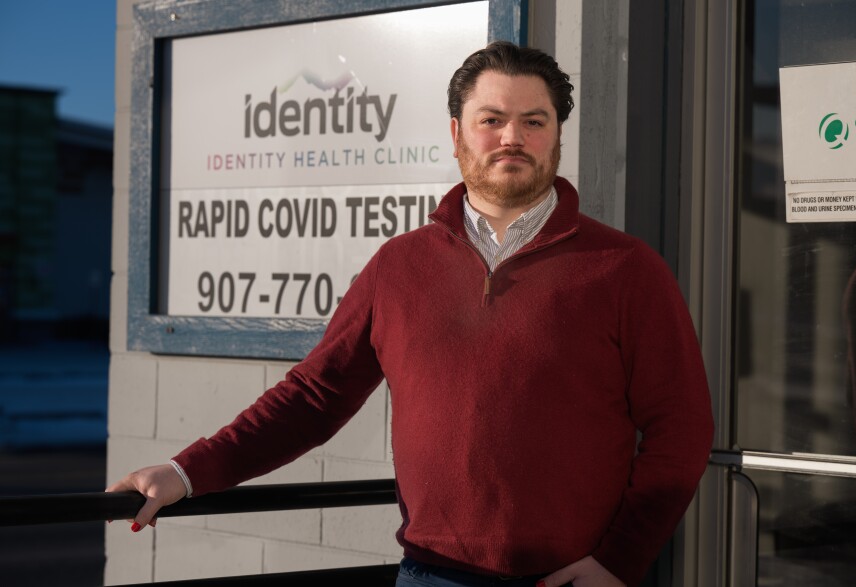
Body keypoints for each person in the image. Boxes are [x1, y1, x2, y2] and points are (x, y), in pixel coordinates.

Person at [108, 41, 714, 587]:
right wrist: (187, 472)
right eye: (492, 120)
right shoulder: (398, 265)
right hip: (431, 576)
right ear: (456, 134)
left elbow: (681, 430)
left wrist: (619, 561)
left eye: (535, 121)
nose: (513, 137)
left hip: (576, 576)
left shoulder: (625, 267)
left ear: (557, 137)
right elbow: (313, 396)